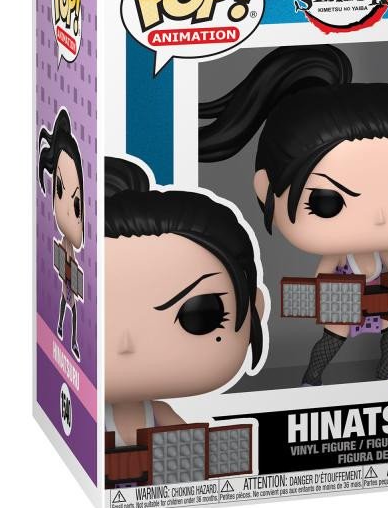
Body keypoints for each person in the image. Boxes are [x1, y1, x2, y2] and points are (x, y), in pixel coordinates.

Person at [199, 45, 388, 385]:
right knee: (333, 339)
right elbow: (324, 274)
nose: (380, 217)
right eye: (328, 202)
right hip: (345, 303)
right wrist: (335, 296)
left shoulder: (381, 251)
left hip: (383, 298)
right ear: (267, 191)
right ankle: (312, 378)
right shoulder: (340, 255)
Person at [103, 156, 266, 446]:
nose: (126, 343)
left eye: (201, 316)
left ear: (256, 307)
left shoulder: (157, 412)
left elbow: (191, 447)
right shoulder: (89, 415)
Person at [38, 108, 84, 361]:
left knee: (71, 308)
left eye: (76, 206)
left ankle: (70, 337)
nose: (66, 211)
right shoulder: (67, 243)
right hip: (68, 280)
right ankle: (61, 330)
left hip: (69, 281)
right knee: (66, 305)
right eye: (59, 189)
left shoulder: (71, 246)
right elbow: (66, 258)